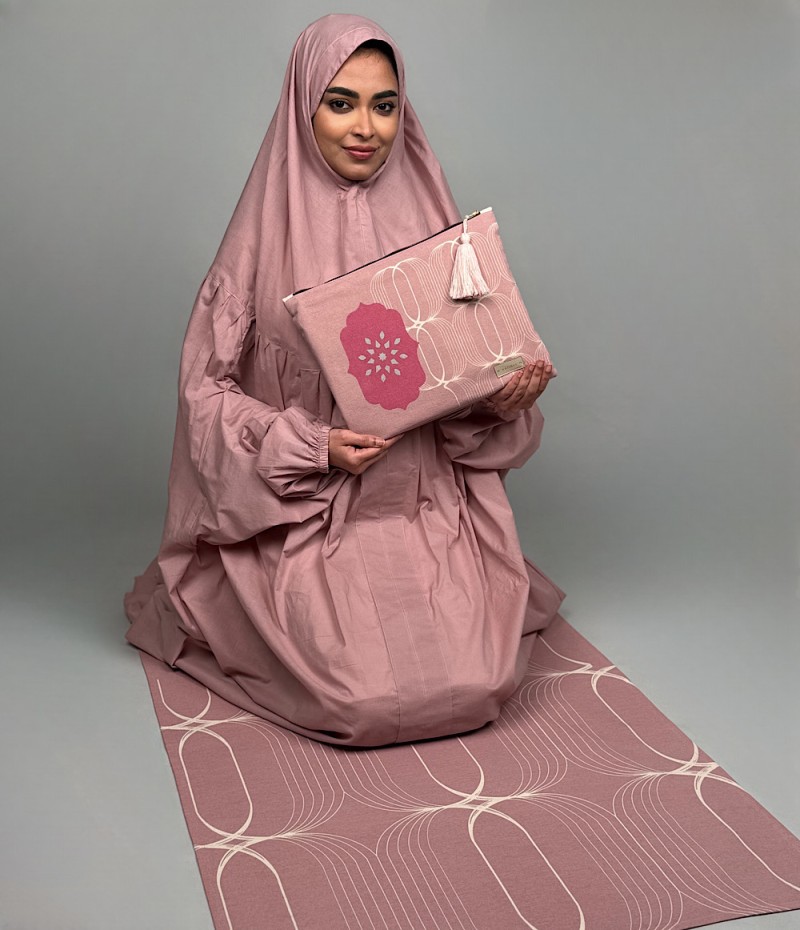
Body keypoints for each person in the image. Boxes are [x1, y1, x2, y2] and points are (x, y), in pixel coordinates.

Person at [124, 14, 564, 747]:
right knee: (359, 704)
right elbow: (204, 402)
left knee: (477, 685)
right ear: (305, 107)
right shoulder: (256, 247)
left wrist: (500, 401)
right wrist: (311, 446)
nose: (366, 127)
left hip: (425, 506)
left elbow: (459, 390)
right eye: (341, 102)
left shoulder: (433, 224)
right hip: (305, 515)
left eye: (384, 105)